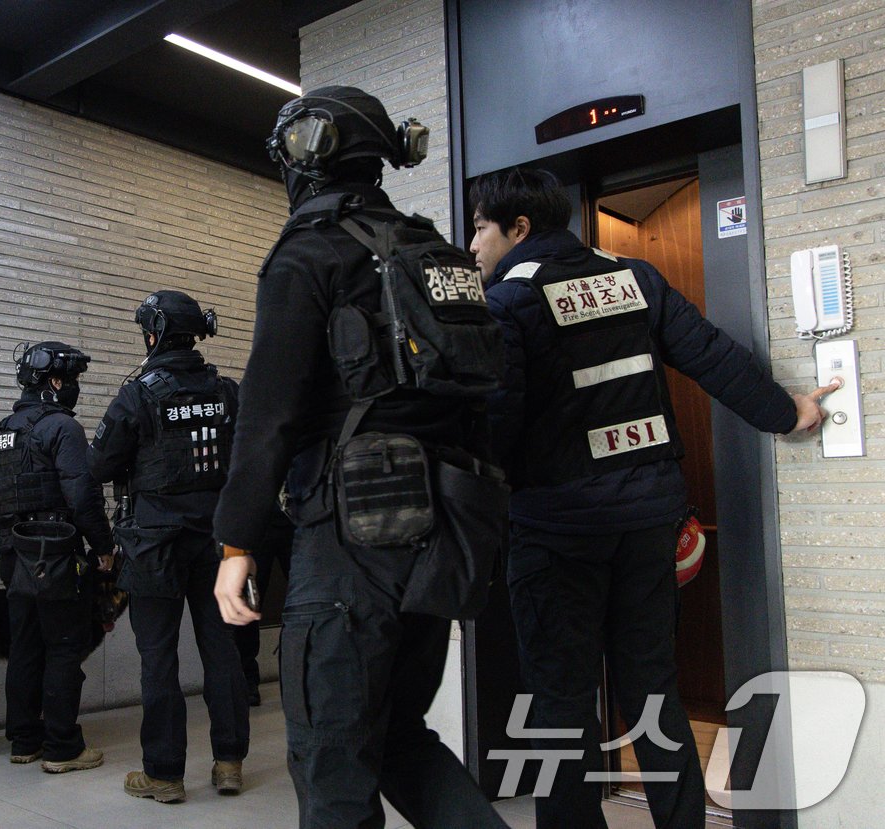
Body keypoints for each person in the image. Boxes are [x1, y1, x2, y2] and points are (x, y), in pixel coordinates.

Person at [468, 167, 839, 829]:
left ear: (518, 227)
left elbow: (496, 426)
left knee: (562, 702)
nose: (472, 244)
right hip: (647, 523)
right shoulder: (635, 278)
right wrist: (788, 412)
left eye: (479, 226)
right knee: (653, 690)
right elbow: (711, 354)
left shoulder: (509, 302)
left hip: (557, 534)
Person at [212, 85, 510, 829]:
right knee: (402, 738)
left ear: (308, 154)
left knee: (331, 756)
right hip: (440, 535)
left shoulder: (307, 255)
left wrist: (237, 540)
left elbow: (269, 411)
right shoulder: (440, 253)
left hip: (351, 537)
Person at [89, 290, 250, 803]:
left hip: (153, 545)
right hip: (220, 541)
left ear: (154, 334)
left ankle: (164, 775)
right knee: (223, 650)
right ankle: (229, 764)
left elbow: (99, 467)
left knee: (157, 657)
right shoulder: (228, 391)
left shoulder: (138, 393)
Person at [0, 341, 114, 774]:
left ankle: (24, 740)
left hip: (10, 551)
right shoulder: (62, 427)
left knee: (24, 646)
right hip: (54, 554)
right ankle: (62, 748)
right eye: (72, 380)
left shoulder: (4, 430)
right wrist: (104, 545)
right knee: (62, 647)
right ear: (55, 381)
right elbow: (81, 495)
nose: (74, 389)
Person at [231, 501, 292, 706]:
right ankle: (247, 678)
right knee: (248, 604)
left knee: (310, 602)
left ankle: (305, 674)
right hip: (255, 517)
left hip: (296, 513)